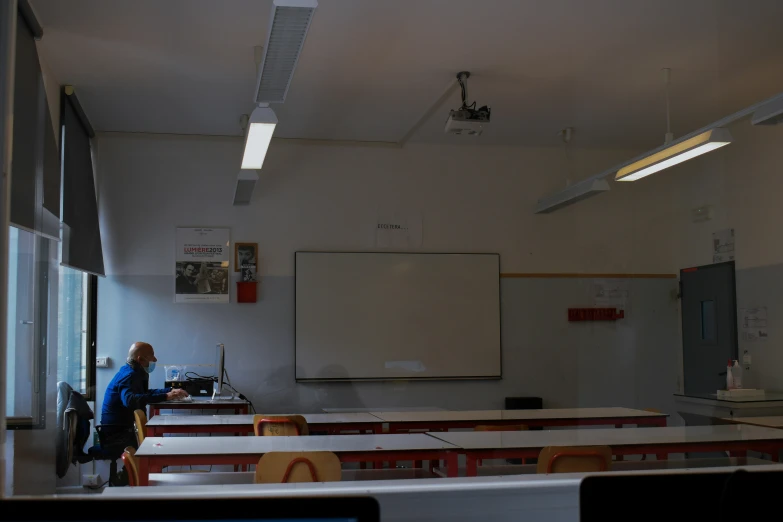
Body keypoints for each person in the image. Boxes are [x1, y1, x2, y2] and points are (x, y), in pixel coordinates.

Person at [100, 342, 188, 447]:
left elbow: (144, 393)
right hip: (118, 434)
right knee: (158, 446)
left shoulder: (132, 371)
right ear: (140, 359)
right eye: (152, 355)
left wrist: (169, 391)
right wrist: (166, 396)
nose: (155, 359)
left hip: (124, 429)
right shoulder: (128, 375)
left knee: (157, 442)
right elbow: (130, 401)